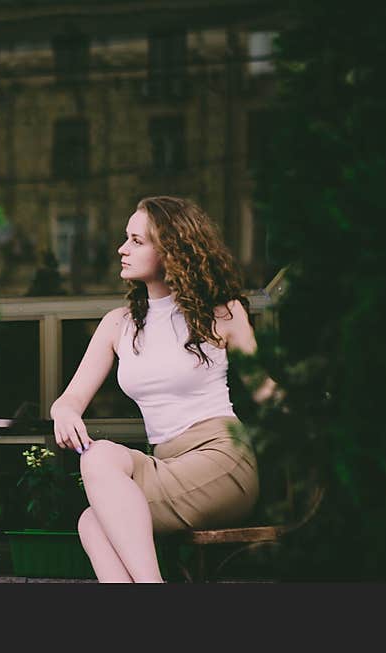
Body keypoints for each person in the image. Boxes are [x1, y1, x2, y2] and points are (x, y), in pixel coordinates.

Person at [49, 196, 280, 583]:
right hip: (166, 465)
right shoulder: (118, 324)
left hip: (221, 461)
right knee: (93, 504)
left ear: (172, 251)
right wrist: (65, 412)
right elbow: (71, 398)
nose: (122, 249)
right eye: (126, 238)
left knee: (97, 519)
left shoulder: (221, 314)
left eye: (137, 241)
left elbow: (265, 390)